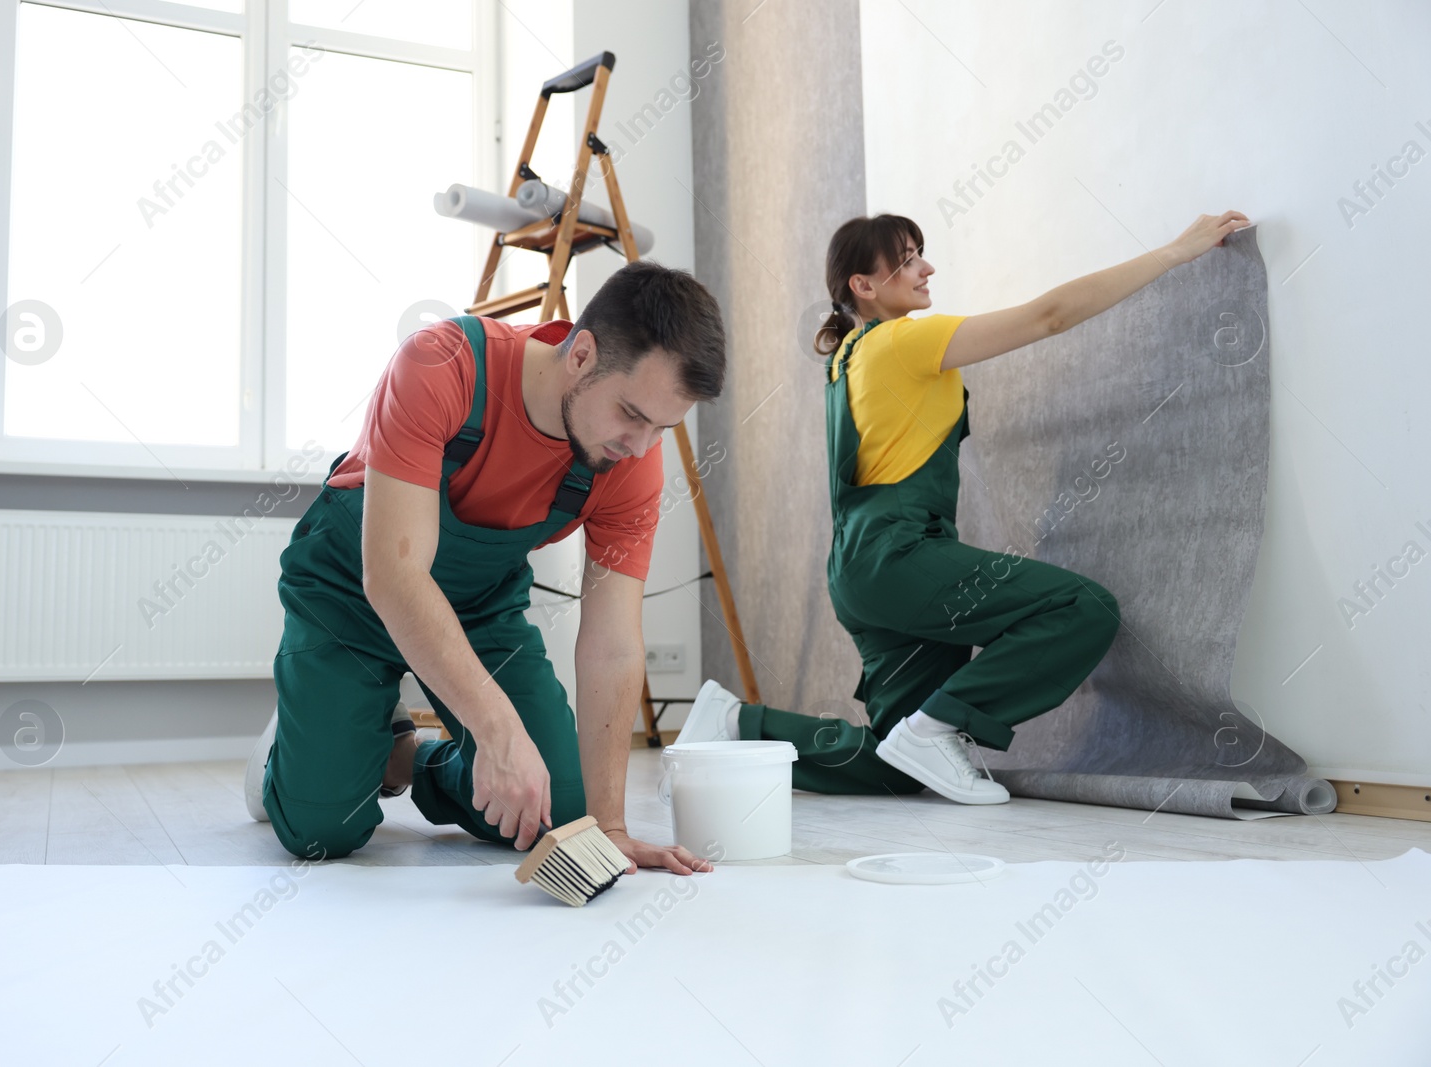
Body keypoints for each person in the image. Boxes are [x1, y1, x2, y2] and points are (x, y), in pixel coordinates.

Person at [676, 210, 1252, 804]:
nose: (926, 267)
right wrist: (1175, 252)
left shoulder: (846, 359)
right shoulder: (902, 340)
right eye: (906, 260)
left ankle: (736, 725)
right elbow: (1048, 317)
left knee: (896, 765)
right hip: (900, 556)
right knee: (1083, 608)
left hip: (861, 571)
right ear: (863, 285)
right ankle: (938, 728)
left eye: (921, 253)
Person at [244, 261, 725, 873]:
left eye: (664, 428)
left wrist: (609, 826)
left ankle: (401, 757)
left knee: (560, 817)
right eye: (632, 414)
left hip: (477, 606)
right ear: (581, 355)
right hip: (353, 592)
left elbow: (612, 642)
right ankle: (286, 759)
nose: (641, 446)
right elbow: (395, 578)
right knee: (320, 831)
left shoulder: (630, 461)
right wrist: (497, 731)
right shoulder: (441, 367)